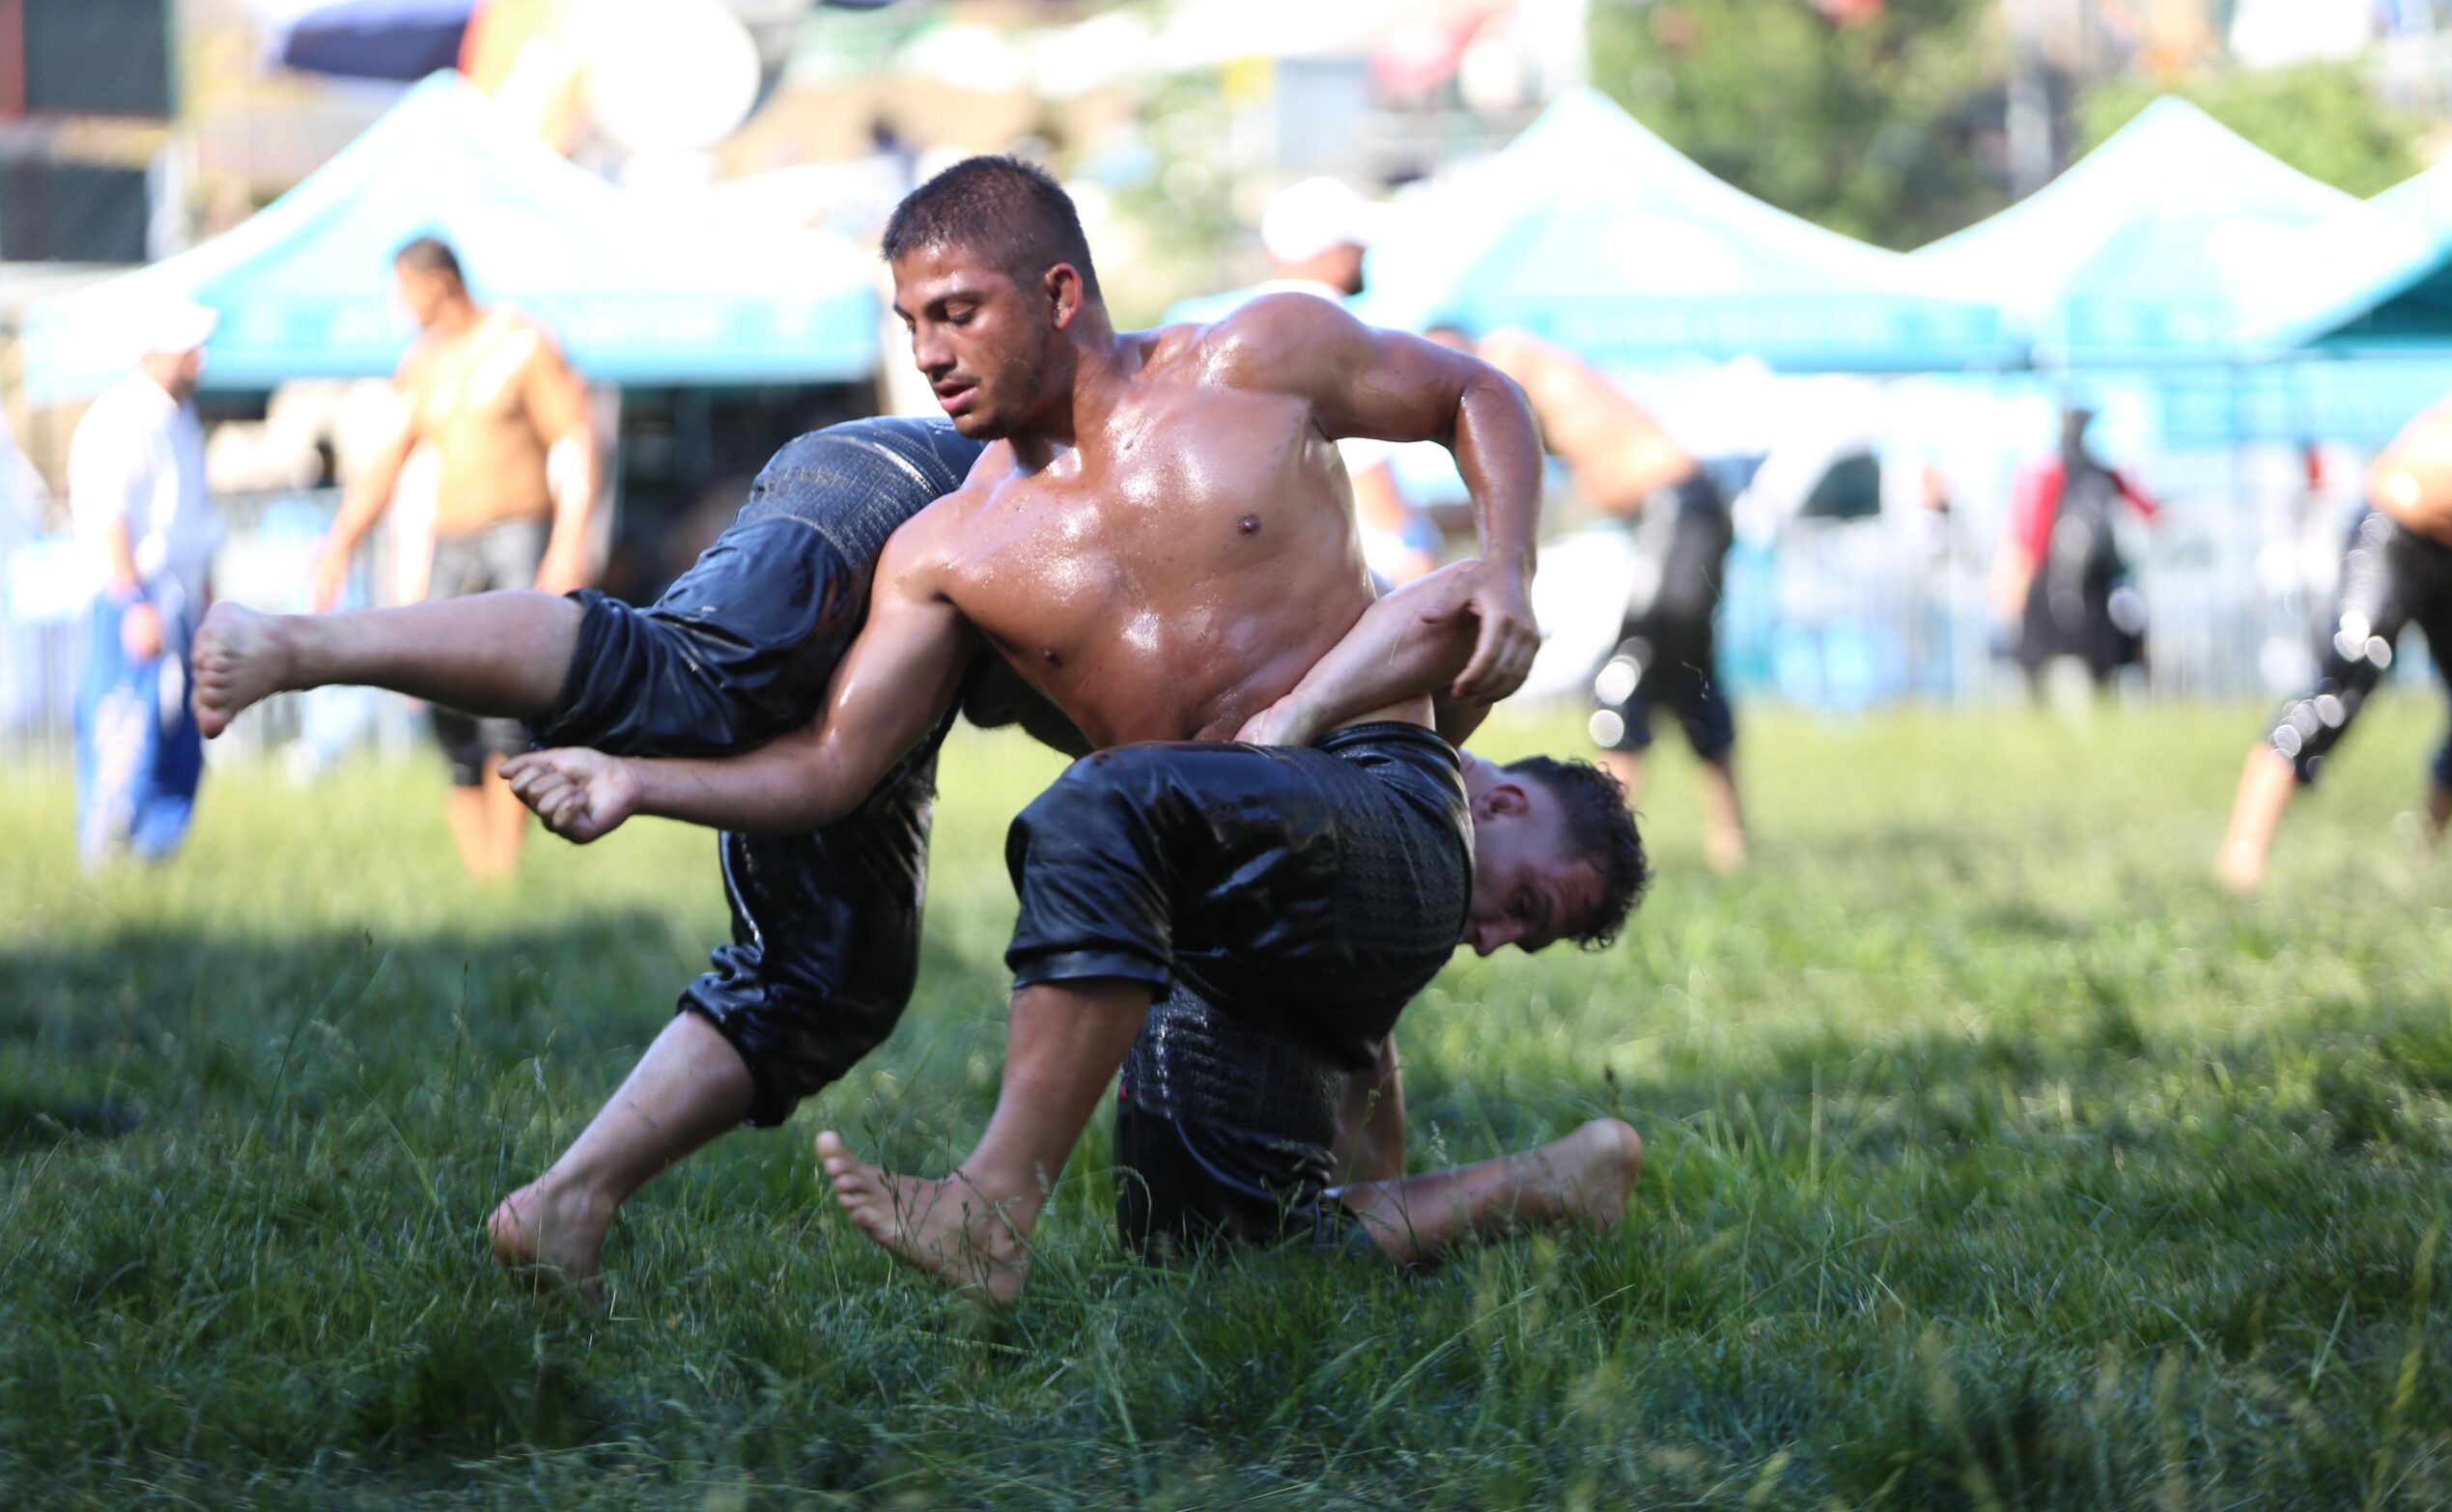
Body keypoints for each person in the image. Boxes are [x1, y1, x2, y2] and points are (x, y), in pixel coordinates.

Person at [503, 156, 1649, 1302]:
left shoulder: (1253, 360)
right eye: (911, 324)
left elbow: (1473, 395)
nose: (930, 352)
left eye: (957, 313)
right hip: (1220, 909)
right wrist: (635, 781)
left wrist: (1507, 564)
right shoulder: (948, 547)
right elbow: (830, 766)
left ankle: (994, 1204)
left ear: (1056, 293)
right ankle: (1554, 1181)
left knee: (1103, 799)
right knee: (1210, 1261)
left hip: (1364, 810)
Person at [190, 433, 1634, 1299]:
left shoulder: (1347, 858)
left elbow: (1349, 1030)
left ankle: (567, 1200)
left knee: (833, 977)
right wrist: (1302, 713)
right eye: (1523, 905)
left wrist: (637, 788)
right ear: (1497, 801)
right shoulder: (1411, 739)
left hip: (932, 654)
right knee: (694, 674)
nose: (1492, 936)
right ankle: (302, 643)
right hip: (922, 495)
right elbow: (1442, 598)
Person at [310, 236, 599, 879]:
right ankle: (480, 876)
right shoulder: (422, 364)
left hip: (516, 532)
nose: (397, 302)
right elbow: (386, 462)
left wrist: (570, 540)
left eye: (403, 287)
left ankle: (505, 869)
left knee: (509, 701)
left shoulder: (520, 343)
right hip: (452, 543)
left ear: (438, 282)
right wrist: (340, 543)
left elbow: (575, 438)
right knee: (445, 700)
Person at [1427, 323, 1746, 872]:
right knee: (1688, 680)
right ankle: (1730, 841)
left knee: (1627, 674)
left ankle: (1600, 847)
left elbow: (1505, 487)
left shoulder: (1503, 363)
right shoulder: (1516, 376)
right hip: (1678, 511)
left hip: (1676, 511)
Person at [2217, 389, 2452, 891]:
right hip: (2391, 534)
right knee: (2339, 686)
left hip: (2450, 552)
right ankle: (2241, 857)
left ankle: (2420, 860)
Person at [1171, 177, 1442, 586]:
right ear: (1337, 257)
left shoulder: (1222, 325)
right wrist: (1414, 545)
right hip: (1345, 569)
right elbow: (1366, 465)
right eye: (1357, 249)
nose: (1363, 258)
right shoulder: (1331, 328)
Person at [69, 299, 220, 866]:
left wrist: (205, 603)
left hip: (178, 601)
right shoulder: (120, 418)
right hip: (133, 599)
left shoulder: (181, 420)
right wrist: (134, 601)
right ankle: (106, 862)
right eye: (187, 350)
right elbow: (114, 518)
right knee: (125, 731)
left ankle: (157, 858)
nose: (198, 362)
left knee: (179, 737)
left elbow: (193, 525)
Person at [1991, 403, 2158, 699]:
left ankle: (2044, 698)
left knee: (2040, 649)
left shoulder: (2055, 472)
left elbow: (2036, 528)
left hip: (2058, 577)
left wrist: (2023, 567)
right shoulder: (2103, 472)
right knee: (2100, 646)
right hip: (2096, 580)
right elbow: (2147, 508)